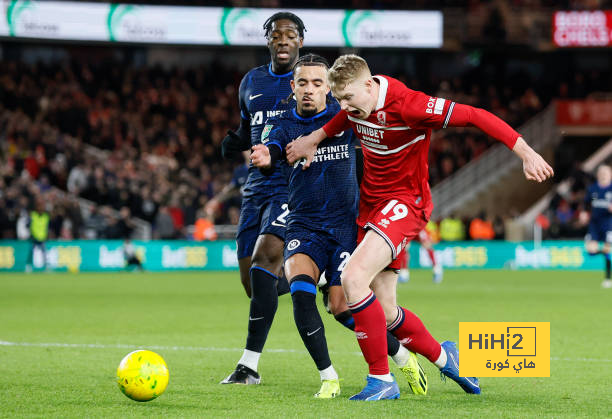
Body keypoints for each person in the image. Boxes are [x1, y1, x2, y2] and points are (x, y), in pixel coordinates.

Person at [286, 54, 553, 400]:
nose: (345, 106)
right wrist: (315, 138)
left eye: (349, 98)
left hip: (404, 203)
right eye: (340, 99)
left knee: (353, 279)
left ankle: (381, 381)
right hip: (371, 206)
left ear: (369, 86)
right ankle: (447, 358)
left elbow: (475, 116)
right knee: (383, 310)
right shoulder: (356, 103)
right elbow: (341, 117)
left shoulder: (411, 106)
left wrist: (526, 152)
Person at [251, 54, 427, 398]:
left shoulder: (346, 116)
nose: (309, 90)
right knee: (300, 295)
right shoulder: (282, 123)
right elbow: (272, 148)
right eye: (302, 82)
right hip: (303, 226)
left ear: (329, 89)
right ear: (292, 86)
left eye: (318, 83)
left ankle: (403, 356)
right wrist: (266, 157)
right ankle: (328, 377)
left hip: (345, 225)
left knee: (341, 308)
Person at [220, 12, 305, 386]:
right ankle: (308, 279)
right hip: (255, 188)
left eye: (291, 35)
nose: (283, 40)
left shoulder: (310, 82)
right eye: (276, 35)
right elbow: (248, 124)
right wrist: (236, 140)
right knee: (252, 284)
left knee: (265, 259)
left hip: (291, 185)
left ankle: (248, 366)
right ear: (267, 40)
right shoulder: (251, 81)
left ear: (301, 41)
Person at [584, 164, 612, 288]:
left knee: (607, 249)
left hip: (609, 224)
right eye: (601, 173)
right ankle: (607, 252)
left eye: (606, 172)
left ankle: (607, 278)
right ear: (598, 175)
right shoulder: (592, 189)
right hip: (594, 224)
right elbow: (586, 204)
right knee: (591, 251)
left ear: (610, 174)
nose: (604, 175)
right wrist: (584, 213)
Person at [26, 200, 49, 272]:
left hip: (42, 237)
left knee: (44, 252)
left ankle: (46, 267)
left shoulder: (46, 216)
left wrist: (46, 235)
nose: (41, 209)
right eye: (39, 207)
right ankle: (28, 266)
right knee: (31, 252)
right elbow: (28, 225)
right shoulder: (33, 215)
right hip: (34, 237)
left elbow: (46, 227)